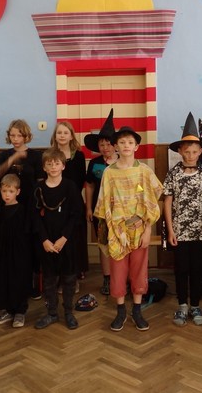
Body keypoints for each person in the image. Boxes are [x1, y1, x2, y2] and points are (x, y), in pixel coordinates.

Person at [94, 126, 163, 332]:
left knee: (139, 268)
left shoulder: (143, 171)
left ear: (136, 146)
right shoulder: (109, 173)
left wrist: (148, 229)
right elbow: (105, 202)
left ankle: (137, 310)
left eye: (130, 142)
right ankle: (121, 310)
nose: (126, 146)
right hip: (117, 229)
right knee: (118, 269)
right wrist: (110, 229)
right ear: (116, 146)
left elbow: (149, 196)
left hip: (139, 228)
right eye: (122, 142)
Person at [163, 113, 202, 327]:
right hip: (179, 231)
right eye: (187, 151)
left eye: (194, 151)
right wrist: (170, 230)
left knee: (197, 269)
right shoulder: (173, 174)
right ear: (180, 151)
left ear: (201, 151)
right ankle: (182, 305)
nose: (191, 155)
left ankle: (195, 305)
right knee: (181, 269)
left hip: (201, 231)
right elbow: (167, 202)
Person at [30, 148, 82, 330]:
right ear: (44, 167)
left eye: (57, 163)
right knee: (50, 279)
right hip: (46, 242)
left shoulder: (70, 187)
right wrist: (44, 240)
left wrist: (64, 238)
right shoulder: (38, 189)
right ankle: (52, 313)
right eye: (49, 164)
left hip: (66, 240)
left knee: (69, 278)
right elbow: (35, 217)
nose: (53, 167)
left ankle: (68, 312)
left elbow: (76, 214)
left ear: (63, 166)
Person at [0, 119, 45, 299]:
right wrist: (12, 159)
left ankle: (31, 284)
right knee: (11, 246)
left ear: (26, 136)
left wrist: (41, 206)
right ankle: (12, 284)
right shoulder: (5, 154)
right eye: (12, 135)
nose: (15, 139)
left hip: (29, 207)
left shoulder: (35, 156)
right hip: (10, 208)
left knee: (29, 246)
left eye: (19, 135)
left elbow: (40, 182)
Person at [84, 109, 118, 296]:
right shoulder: (94, 163)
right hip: (99, 211)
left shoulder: (124, 161)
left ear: (115, 144)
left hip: (121, 211)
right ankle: (107, 278)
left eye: (108, 143)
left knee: (120, 243)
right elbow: (89, 186)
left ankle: (120, 277)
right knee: (103, 244)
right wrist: (89, 207)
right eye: (102, 144)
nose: (105, 147)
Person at [50, 121, 88, 281]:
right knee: (57, 235)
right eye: (59, 132)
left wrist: (70, 196)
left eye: (66, 133)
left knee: (76, 236)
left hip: (74, 201)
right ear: (55, 136)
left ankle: (77, 271)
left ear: (71, 136)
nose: (62, 135)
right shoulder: (49, 156)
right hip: (54, 201)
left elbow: (81, 180)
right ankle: (59, 273)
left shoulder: (78, 156)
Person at [0, 174, 32, 328]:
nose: (7, 195)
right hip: (4, 250)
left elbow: (27, 233)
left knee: (19, 279)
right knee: (5, 279)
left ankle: (20, 311)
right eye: (4, 191)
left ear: (18, 191)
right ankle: (9, 310)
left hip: (20, 252)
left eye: (11, 191)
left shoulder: (22, 210)